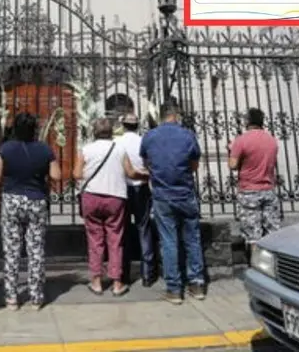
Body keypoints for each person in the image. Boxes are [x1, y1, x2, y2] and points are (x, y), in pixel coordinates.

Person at [0, 112, 60, 310]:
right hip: (36, 200)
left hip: (12, 200)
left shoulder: (6, 148)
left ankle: (11, 296)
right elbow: (56, 175)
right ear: (34, 129)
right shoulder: (44, 149)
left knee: (11, 250)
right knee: (35, 249)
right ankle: (36, 296)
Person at [140, 102, 206, 304]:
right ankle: (196, 283)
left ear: (160, 116)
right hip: (184, 192)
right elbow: (194, 165)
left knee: (168, 241)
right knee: (192, 238)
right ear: (176, 115)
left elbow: (146, 163)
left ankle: (174, 288)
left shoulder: (150, 136)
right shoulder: (187, 135)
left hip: (162, 194)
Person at [75, 117, 145, 297]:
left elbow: (76, 173)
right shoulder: (119, 149)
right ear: (112, 132)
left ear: (94, 132)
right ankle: (117, 282)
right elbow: (131, 172)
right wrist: (147, 176)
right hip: (115, 196)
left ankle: (96, 281)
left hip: (92, 196)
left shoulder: (86, 149)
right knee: (115, 240)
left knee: (95, 240)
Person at [228, 107, 280, 256]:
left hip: (249, 190)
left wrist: (231, 150)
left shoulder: (242, 140)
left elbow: (233, 165)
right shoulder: (271, 140)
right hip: (268, 189)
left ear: (248, 122)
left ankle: (256, 261)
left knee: (252, 233)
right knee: (272, 230)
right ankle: (274, 261)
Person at [119, 113, 156, 287]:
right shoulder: (143, 141)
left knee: (123, 230)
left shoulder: (117, 142)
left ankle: (124, 273)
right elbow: (150, 163)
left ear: (123, 125)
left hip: (123, 188)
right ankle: (147, 273)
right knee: (144, 228)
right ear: (137, 126)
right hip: (141, 186)